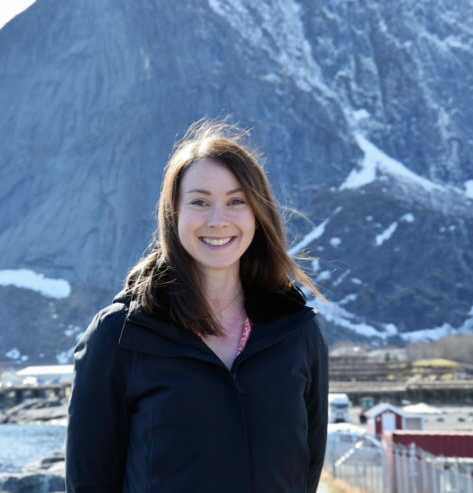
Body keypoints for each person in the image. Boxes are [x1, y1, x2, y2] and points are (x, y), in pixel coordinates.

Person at [65, 120, 329, 493]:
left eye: (236, 201)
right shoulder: (119, 335)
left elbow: (306, 474)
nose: (218, 220)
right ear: (174, 213)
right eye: (200, 201)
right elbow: (88, 483)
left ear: (257, 213)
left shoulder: (297, 331)